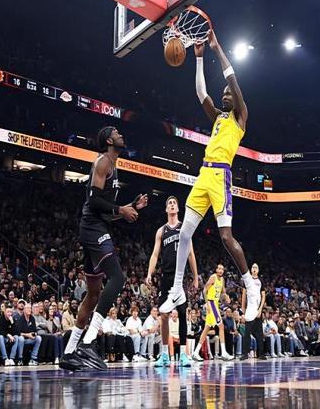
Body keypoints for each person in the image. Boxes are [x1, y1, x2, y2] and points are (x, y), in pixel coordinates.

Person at [160, 29, 258, 314]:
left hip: (221, 177)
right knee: (184, 233)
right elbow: (201, 93)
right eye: (223, 93)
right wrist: (199, 58)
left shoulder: (240, 117)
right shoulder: (218, 117)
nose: (225, 95)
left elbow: (232, 79)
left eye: (228, 94)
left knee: (226, 237)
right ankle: (177, 290)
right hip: (203, 175)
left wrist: (216, 48)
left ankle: (250, 287)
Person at [60, 126, 148, 371]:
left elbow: (106, 212)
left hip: (97, 226)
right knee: (118, 279)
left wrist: (130, 207)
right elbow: (94, 201)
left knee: (93, 295)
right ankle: (88, 342)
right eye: (117, 133)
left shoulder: (114, 165)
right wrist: (121, 209)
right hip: (92, 228)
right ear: (109, 140)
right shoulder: (103, 162)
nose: (122, 135)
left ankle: (68, 353)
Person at [146, 196, 198, 368]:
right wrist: (149, 273)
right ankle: (164, 355)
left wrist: (196, 276)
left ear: (178, 208)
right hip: (166, 276)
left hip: (180, 277)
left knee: (182, 314)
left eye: (175, 203)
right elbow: (155, 254)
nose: (172, 205)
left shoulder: (184, 228)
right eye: (169, 203)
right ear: (166, 209)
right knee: (164, 314)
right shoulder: (161, 231)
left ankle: (183, 354)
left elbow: (191, 253)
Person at [191, 264, 234, 361]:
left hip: (215, 304)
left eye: (222, 269)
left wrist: (226, 297)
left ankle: (195, 352)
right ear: (216, 270)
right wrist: (207, 304)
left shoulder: (222, 279)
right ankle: (224, 353)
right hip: (211, 303)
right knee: (221, 326)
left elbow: (223, 292)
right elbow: (204, 290)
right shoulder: (213, 277)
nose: (221, 270)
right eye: (219, 268)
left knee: (206, 329)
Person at [240, 263, 266, 360]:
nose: (254, 269)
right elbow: (244, 294)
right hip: (249, 310)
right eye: (253, 267)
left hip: (257, 309)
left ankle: (261, 354)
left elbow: (263, 296)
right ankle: (245, 354)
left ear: (258, 270)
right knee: (247, 332)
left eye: (256, 267)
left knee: (259, 333)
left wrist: (260, 309)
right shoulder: (247, 280)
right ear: (251, 269)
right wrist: (243, 308)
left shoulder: (261, 281)